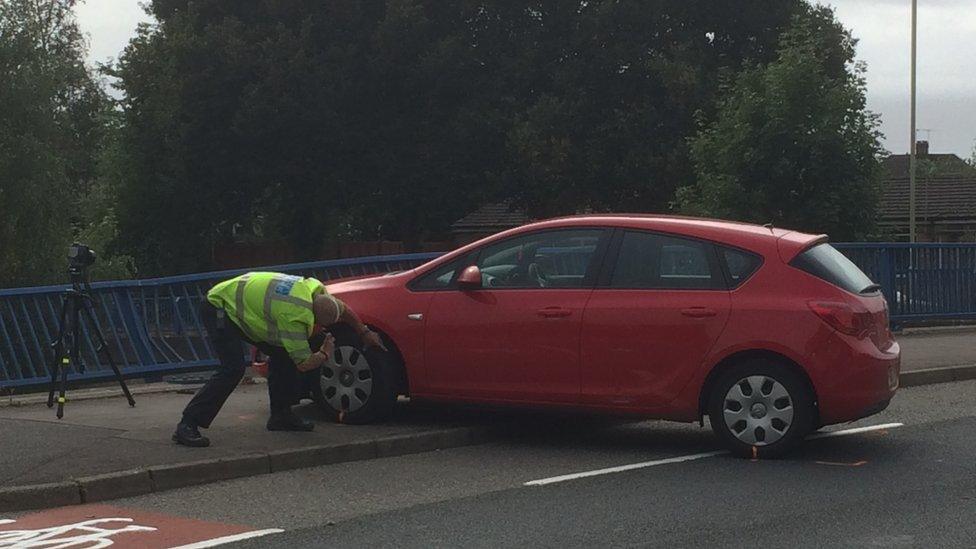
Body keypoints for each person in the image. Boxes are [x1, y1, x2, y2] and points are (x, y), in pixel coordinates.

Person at [173, 272, 385, 447]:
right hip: (219, 306)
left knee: (283, 353)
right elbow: (303, 364)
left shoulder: (317, 292)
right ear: (314, 320)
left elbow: (345, 311)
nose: (321, 331)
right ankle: (188, 424)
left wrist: (364, 332)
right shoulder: (293, 319)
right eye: (321, 327)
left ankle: (281, 416)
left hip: (245, 303)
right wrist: (325, 353)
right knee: (233, 368)